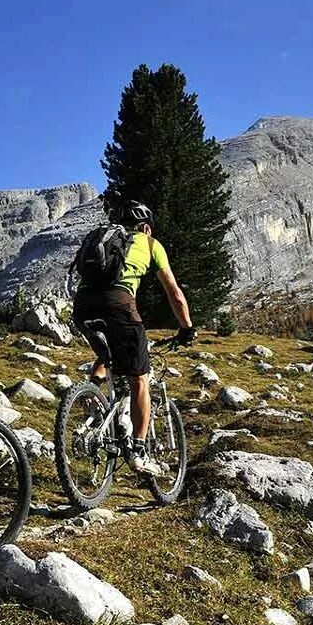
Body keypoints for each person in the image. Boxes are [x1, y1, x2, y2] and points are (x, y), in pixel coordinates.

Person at [72, 201, 196, 475]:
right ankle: (138, 452)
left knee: (107, 355)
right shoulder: (151, 244)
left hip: (82, 306)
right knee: (140, 378)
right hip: (119, 304)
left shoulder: (103, 240)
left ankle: (90, 396)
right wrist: (186, 327)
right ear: (146, 227)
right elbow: (174, 292)